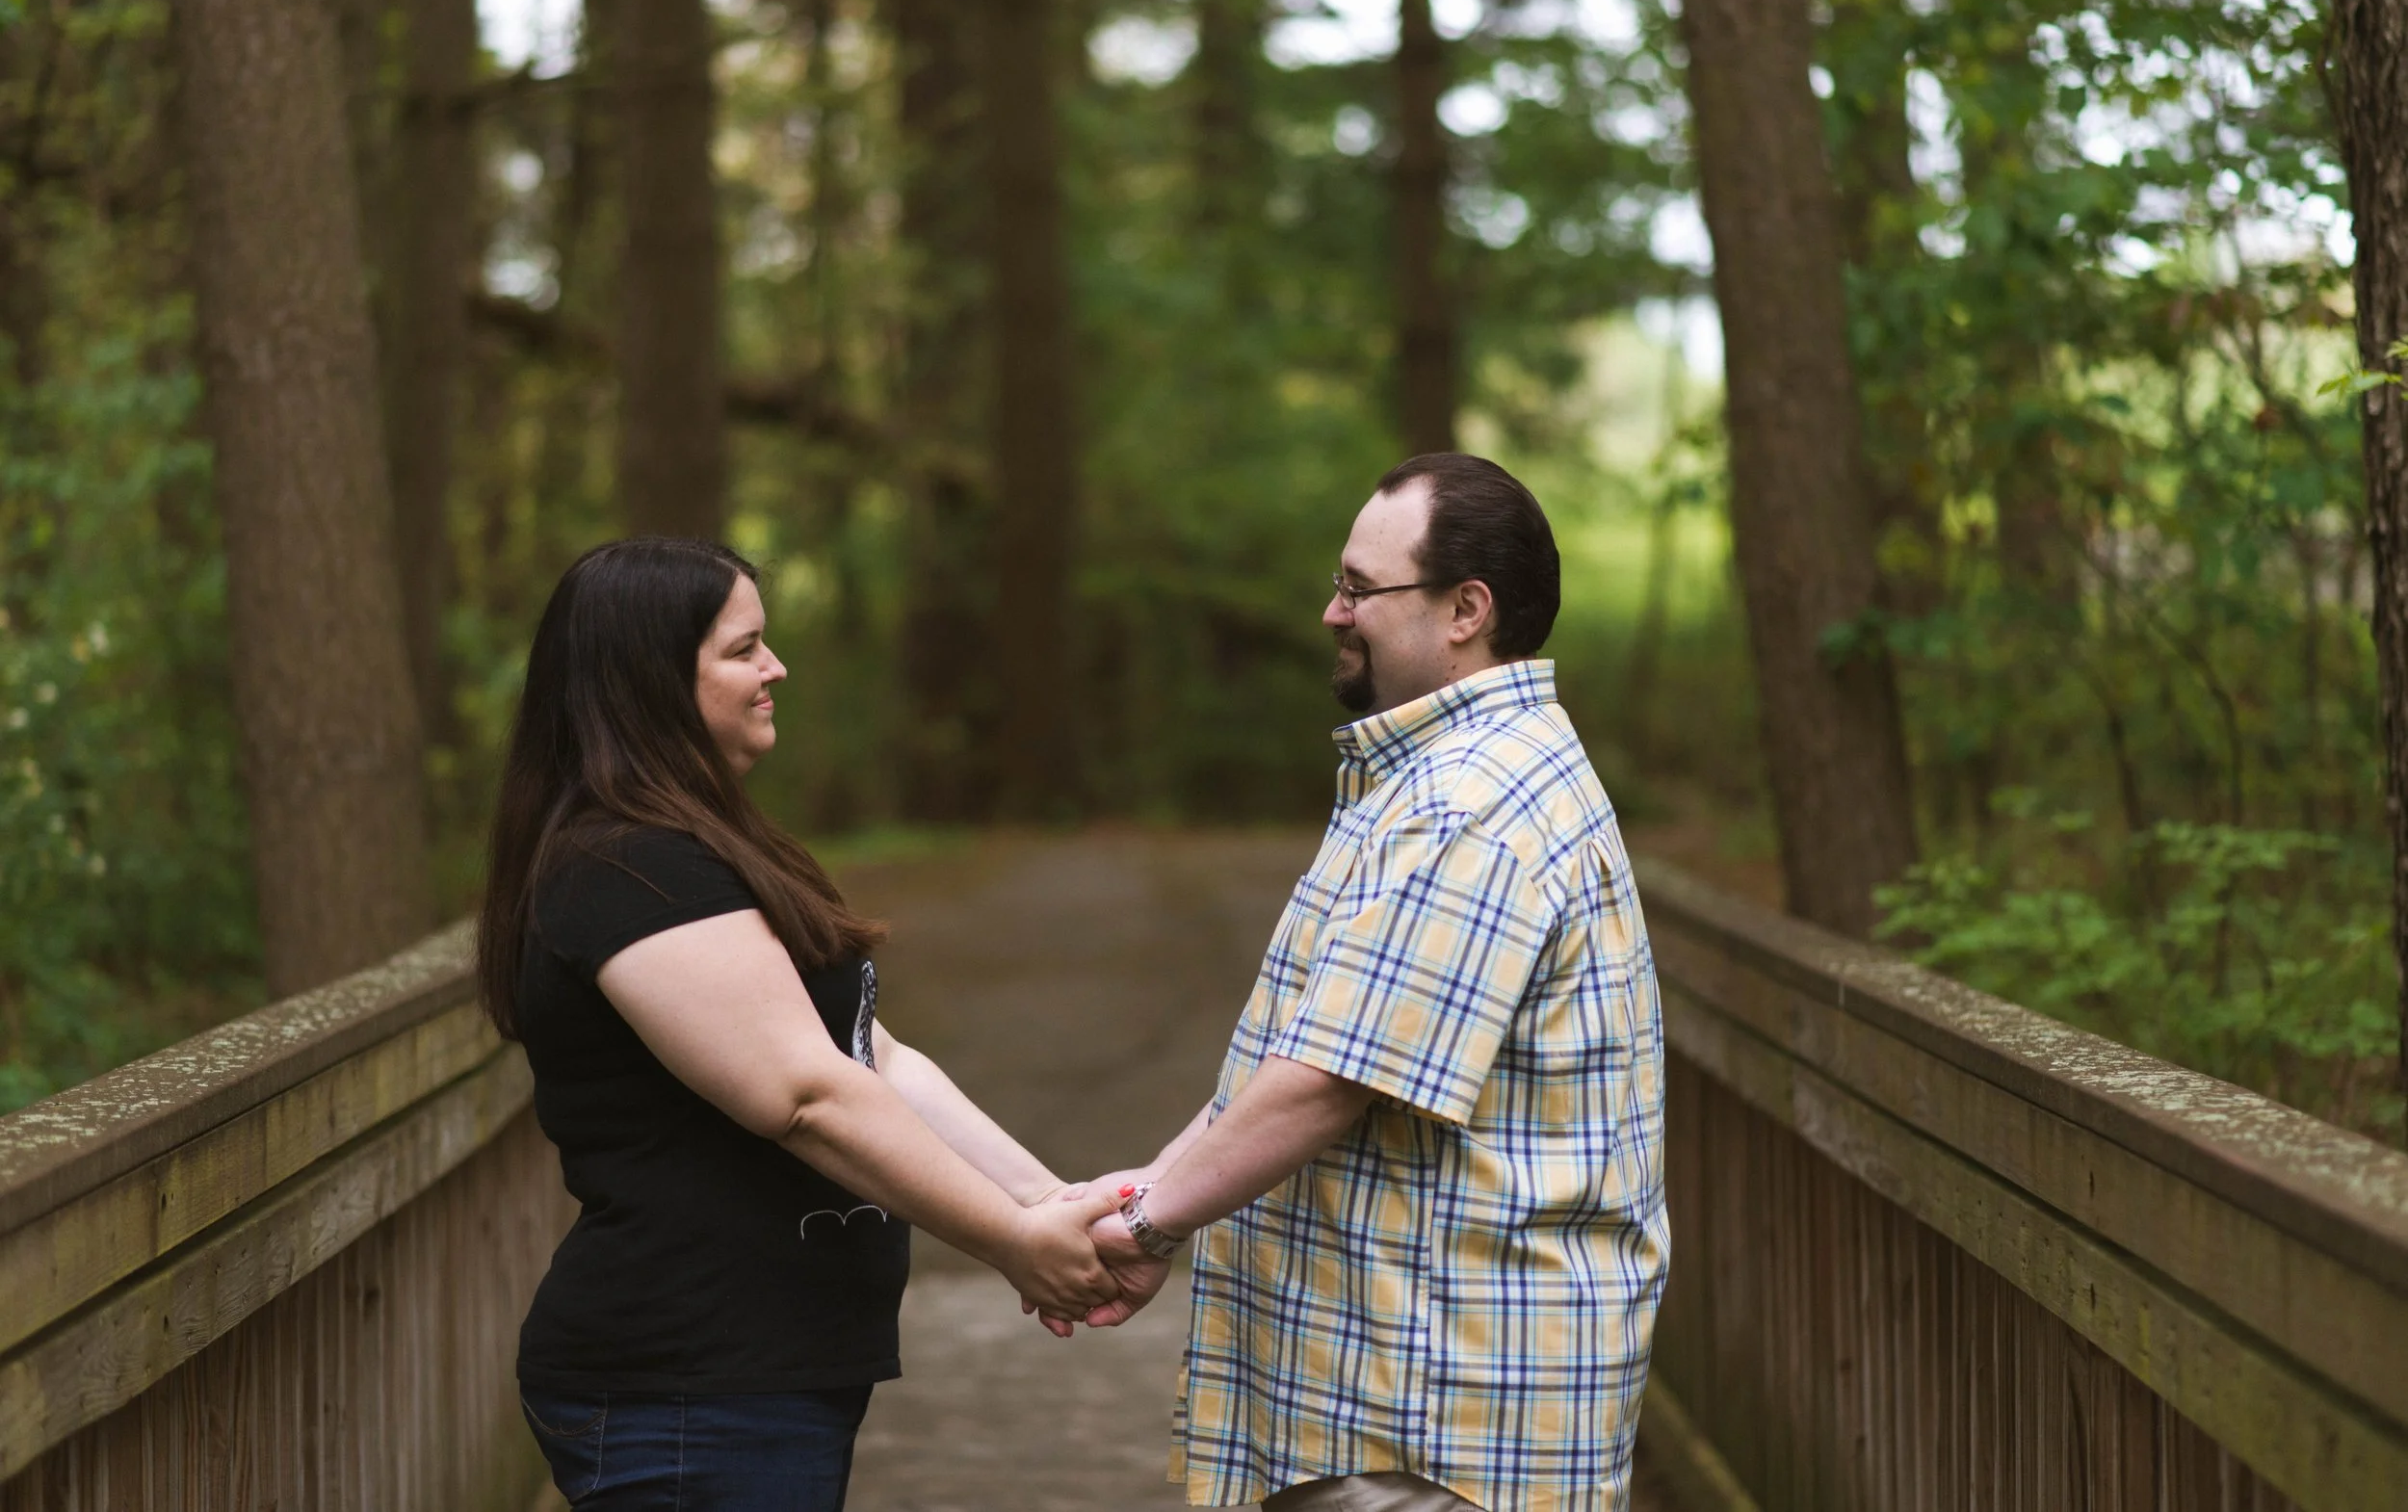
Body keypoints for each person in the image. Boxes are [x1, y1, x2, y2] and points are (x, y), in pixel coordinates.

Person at [1052, 455, 1670, 1511]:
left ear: (1466, 609)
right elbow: (1306, 1047)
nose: (1333, 611)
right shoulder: (1445, 778)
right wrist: (1148, 1186)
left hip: (1438, 1420)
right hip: (1407, 1403)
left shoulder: (1469, 804)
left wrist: (1149, 1223)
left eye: (1359, 587)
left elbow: (1329, 1081)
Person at [475, 537, 1124, 1511]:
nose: (776, 668)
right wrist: (1011, 1242)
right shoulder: (629, 868)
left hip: (752, 1378)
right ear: (653, 681)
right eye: (743, 649)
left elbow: (872, 1058)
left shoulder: (700, 847)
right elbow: (804, 1095)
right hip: (691, 1386)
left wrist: (1046, 1200)